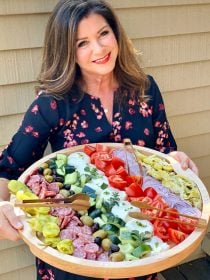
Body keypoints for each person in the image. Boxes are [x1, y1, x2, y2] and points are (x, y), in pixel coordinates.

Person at [0, 0, 198, 279]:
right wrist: (2, 207)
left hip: (140, 251)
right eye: (82, 42)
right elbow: (8, 169)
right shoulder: (52, 104)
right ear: (67, 50)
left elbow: (165, 152)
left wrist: (177, 162)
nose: (99, 49)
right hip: (77, 257)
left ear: (116, 33)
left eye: (103, 33)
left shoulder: (145, 89)